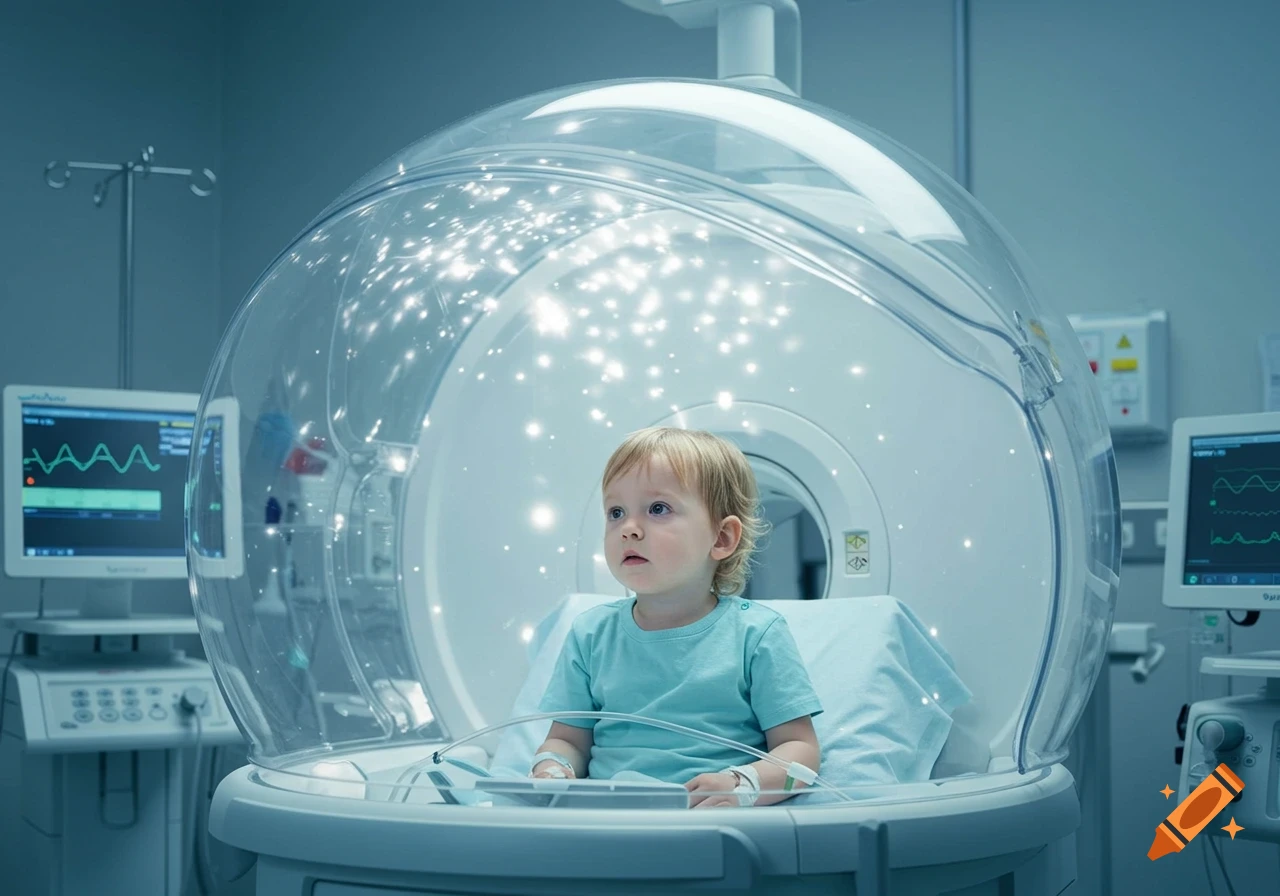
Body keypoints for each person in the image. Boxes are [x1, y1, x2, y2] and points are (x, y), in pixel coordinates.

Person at [530, 426, 822, 808]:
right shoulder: (591, 634)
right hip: (607, 817)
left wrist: (742, 784)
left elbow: (800, 750)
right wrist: (553, 766)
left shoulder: (757, 635)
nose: (629, 529)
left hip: (709, 820)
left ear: (721, 539)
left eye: (658, 509)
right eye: (615, 512)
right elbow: (568, 739)